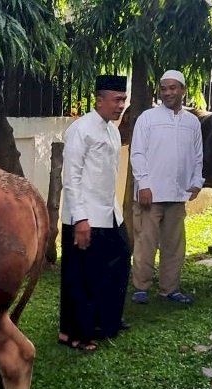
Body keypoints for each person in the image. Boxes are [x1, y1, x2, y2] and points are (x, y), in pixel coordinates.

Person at [58, 75, 131, 352]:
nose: (121, 105)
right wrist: (81, 219)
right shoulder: (81, 129)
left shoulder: (111, 130)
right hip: (85, 216)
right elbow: (71, 177)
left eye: (123, 99)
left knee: (119, 257)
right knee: (81, 277)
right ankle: (74, 334)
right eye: (117, 100)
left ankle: (104, 321)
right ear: (100, 100)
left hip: (109, 212)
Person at [129, 69, 204, 305]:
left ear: (182, 90)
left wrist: (196, 182)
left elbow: (197, 155)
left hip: (177, 193)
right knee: (145, 242)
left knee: (174, 245)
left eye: (173, 88)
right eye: (164, 88)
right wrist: (144, 184)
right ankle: (141, 287)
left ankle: (169, 288)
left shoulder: (192, 122)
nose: (168, 92)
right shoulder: (147, 118)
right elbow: (137, 152)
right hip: (150, 194)